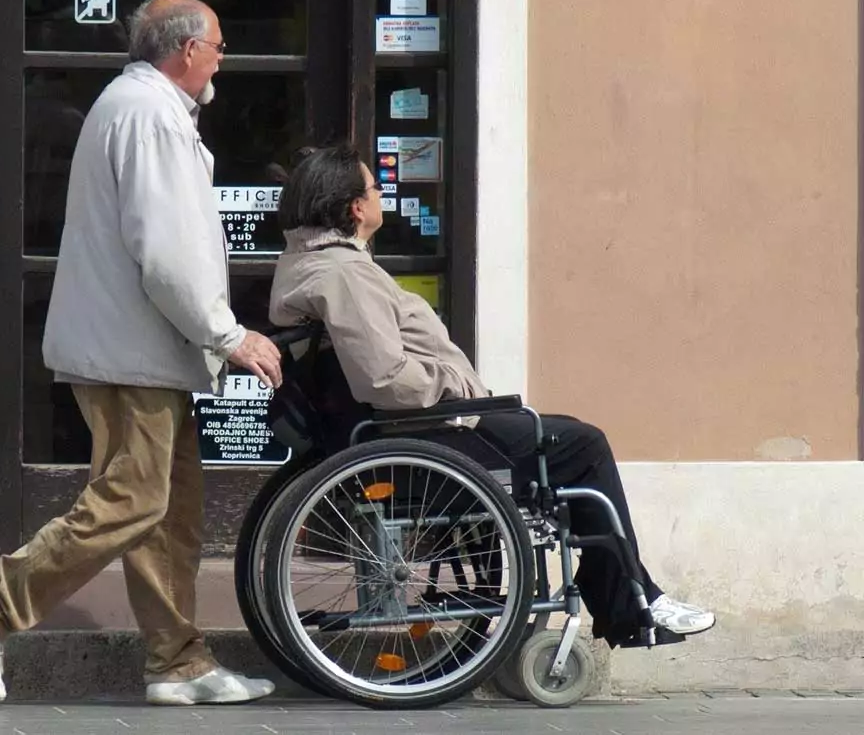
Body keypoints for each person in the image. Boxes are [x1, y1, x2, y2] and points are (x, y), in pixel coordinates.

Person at [0, 0, 283, 706]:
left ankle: (177, 662)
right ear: (185, 49)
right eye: (218, 45)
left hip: (141, 349)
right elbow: (167, 251)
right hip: (131, 351)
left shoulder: (143, 108)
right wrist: (227, 333)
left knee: (169, 511)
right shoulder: (150, 115)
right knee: (133, 500)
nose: (223, 57)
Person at [267, 143, 716, 647]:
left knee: (564, 437)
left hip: (413, 430)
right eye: (375, 187)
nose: (380, 194)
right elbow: (385, 380)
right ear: (354, 207)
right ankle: (629, 596)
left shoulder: (312, 265)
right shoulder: (345, 274)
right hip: (426, 432)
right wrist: (457, 387)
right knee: (582, 446)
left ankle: (623, 589)